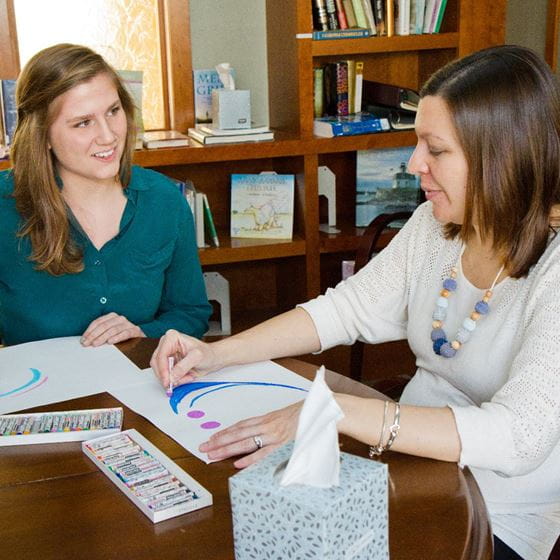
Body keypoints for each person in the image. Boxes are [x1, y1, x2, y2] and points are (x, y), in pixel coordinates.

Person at [151, 45, 560, 560]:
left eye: (435, 149)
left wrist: (335, 410)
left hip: (500, 517)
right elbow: (344, 311)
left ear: (502, 155)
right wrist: (217, 353)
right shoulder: (437, 229)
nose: (415, 165)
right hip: (403, 467)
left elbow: (518, 438)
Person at [0, 43, 211, 346]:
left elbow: (190, 313)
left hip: (136, 384)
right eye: (83, 122)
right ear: (42, 134)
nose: (109, 136)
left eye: (113, 111)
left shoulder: (165, 200)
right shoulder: (4, 203)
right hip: (39, 389)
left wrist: (142, 332)